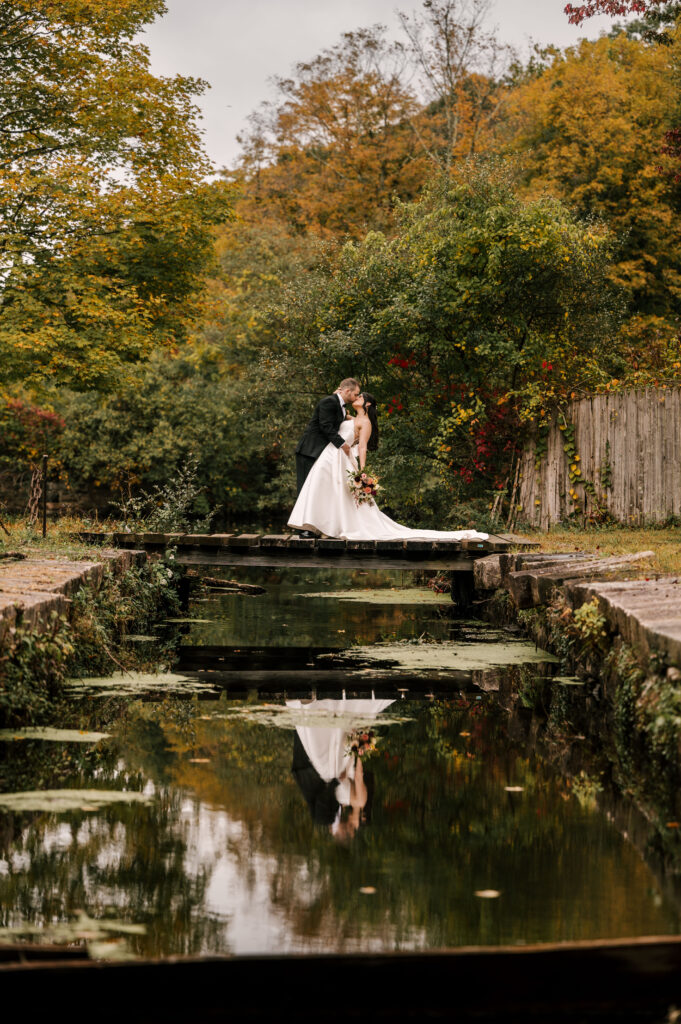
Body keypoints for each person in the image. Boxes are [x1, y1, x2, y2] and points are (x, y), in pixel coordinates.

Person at [288, 390, 490, 543]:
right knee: (325, 492)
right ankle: (320, 526)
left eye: (360, 396)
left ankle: (335, 527)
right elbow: (338, 421)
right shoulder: (351, 417)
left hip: (341, 458)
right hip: (331, 457)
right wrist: (339, 394)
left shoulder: (365, 422)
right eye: (355, 395)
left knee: (338, 495)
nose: (356, 397)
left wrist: (362, 471)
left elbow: (363, 447)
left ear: (366, 404)